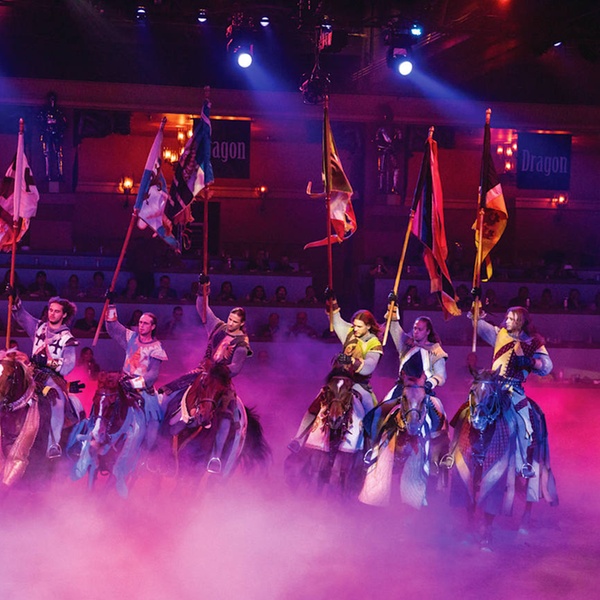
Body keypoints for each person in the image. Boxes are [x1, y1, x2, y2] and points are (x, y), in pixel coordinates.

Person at [161, 274, 252, 473]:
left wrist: (219, 369)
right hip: (202, 372)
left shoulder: (242, 343)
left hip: (221, 381)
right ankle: (161, 439)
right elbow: (203, 309)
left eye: (235, 322)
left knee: (227, 415)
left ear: (241, 324)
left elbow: (235, 367)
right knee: (168, 392)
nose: (230, 323)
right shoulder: (218, 327)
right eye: (230, 319)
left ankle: (216, 456)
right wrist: (203, 289)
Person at [288, 289, 383, 452]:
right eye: (354, 325)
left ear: (368, 327)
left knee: (371, 415)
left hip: (359, 384)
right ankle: (298, 438)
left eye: (359, 327)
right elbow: (336, 320)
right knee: (316, 403)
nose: (355, 329)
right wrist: (332, 301)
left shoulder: (374, 343)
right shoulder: (351, 333)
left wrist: (351, 361)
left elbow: (369, 366)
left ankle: (371, 450)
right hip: (341, 380)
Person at [474, 306, 553, 478]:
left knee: (524, 422)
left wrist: (532, 362)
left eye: (511, 319)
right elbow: (480, 327)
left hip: (514, 389)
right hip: (494, 386)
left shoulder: (533, 342)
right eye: (507, 318)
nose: (507, 321)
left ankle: (522, 463)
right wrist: (477, 314)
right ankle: (475, 452)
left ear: (521, 321)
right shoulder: (500, 334)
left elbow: (547, 366)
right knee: (475, 409)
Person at [365, 298, 448, 441]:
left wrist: (430, 383)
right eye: (415, 328)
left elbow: (441, 376)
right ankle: (374, 446)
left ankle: (439, 450)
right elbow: (394, 326)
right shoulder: (405, 344)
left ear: (427, 331)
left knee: (439, 416)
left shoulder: (436, 350)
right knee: (379, 413)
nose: (416, 332)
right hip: (402, 389)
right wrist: (393, 305)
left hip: (423, 390)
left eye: (420, 329)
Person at [10, 293, 79, 458]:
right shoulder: (38, 327)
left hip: (52, 378)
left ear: (64, 315)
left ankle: (53, 444)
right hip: (31, 373)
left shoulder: (68, 338)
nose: (52, 314)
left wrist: (47, 362)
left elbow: (67, 366)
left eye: (57, 311)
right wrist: (15, 300)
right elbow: (22, 317)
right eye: (50, 310)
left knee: (57, 402)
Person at [105, 299, 167, 450]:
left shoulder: (156, 348)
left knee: (153, 421)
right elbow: (112, 327)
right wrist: (111, 304)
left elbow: (152, 375)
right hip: (123, 381)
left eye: (145, 323)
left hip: (143, 389)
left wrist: (133, 384)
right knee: (103, 402)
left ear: (153, 327)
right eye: (140, 322)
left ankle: (148, 452)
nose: (141, 325)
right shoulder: (131, 337)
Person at [37, 91, 67, 181]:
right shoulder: (43, 112)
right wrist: (45, 128)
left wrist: (59, 130)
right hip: (47, 134)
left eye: (53, 99)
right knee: (46, 154)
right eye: (51, 99)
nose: (52, 101)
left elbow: (64, 123)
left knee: (59, 153)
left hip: (56, 135)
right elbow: (39, 123)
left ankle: (60, 174)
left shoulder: (59, 112)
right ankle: (47, 174)